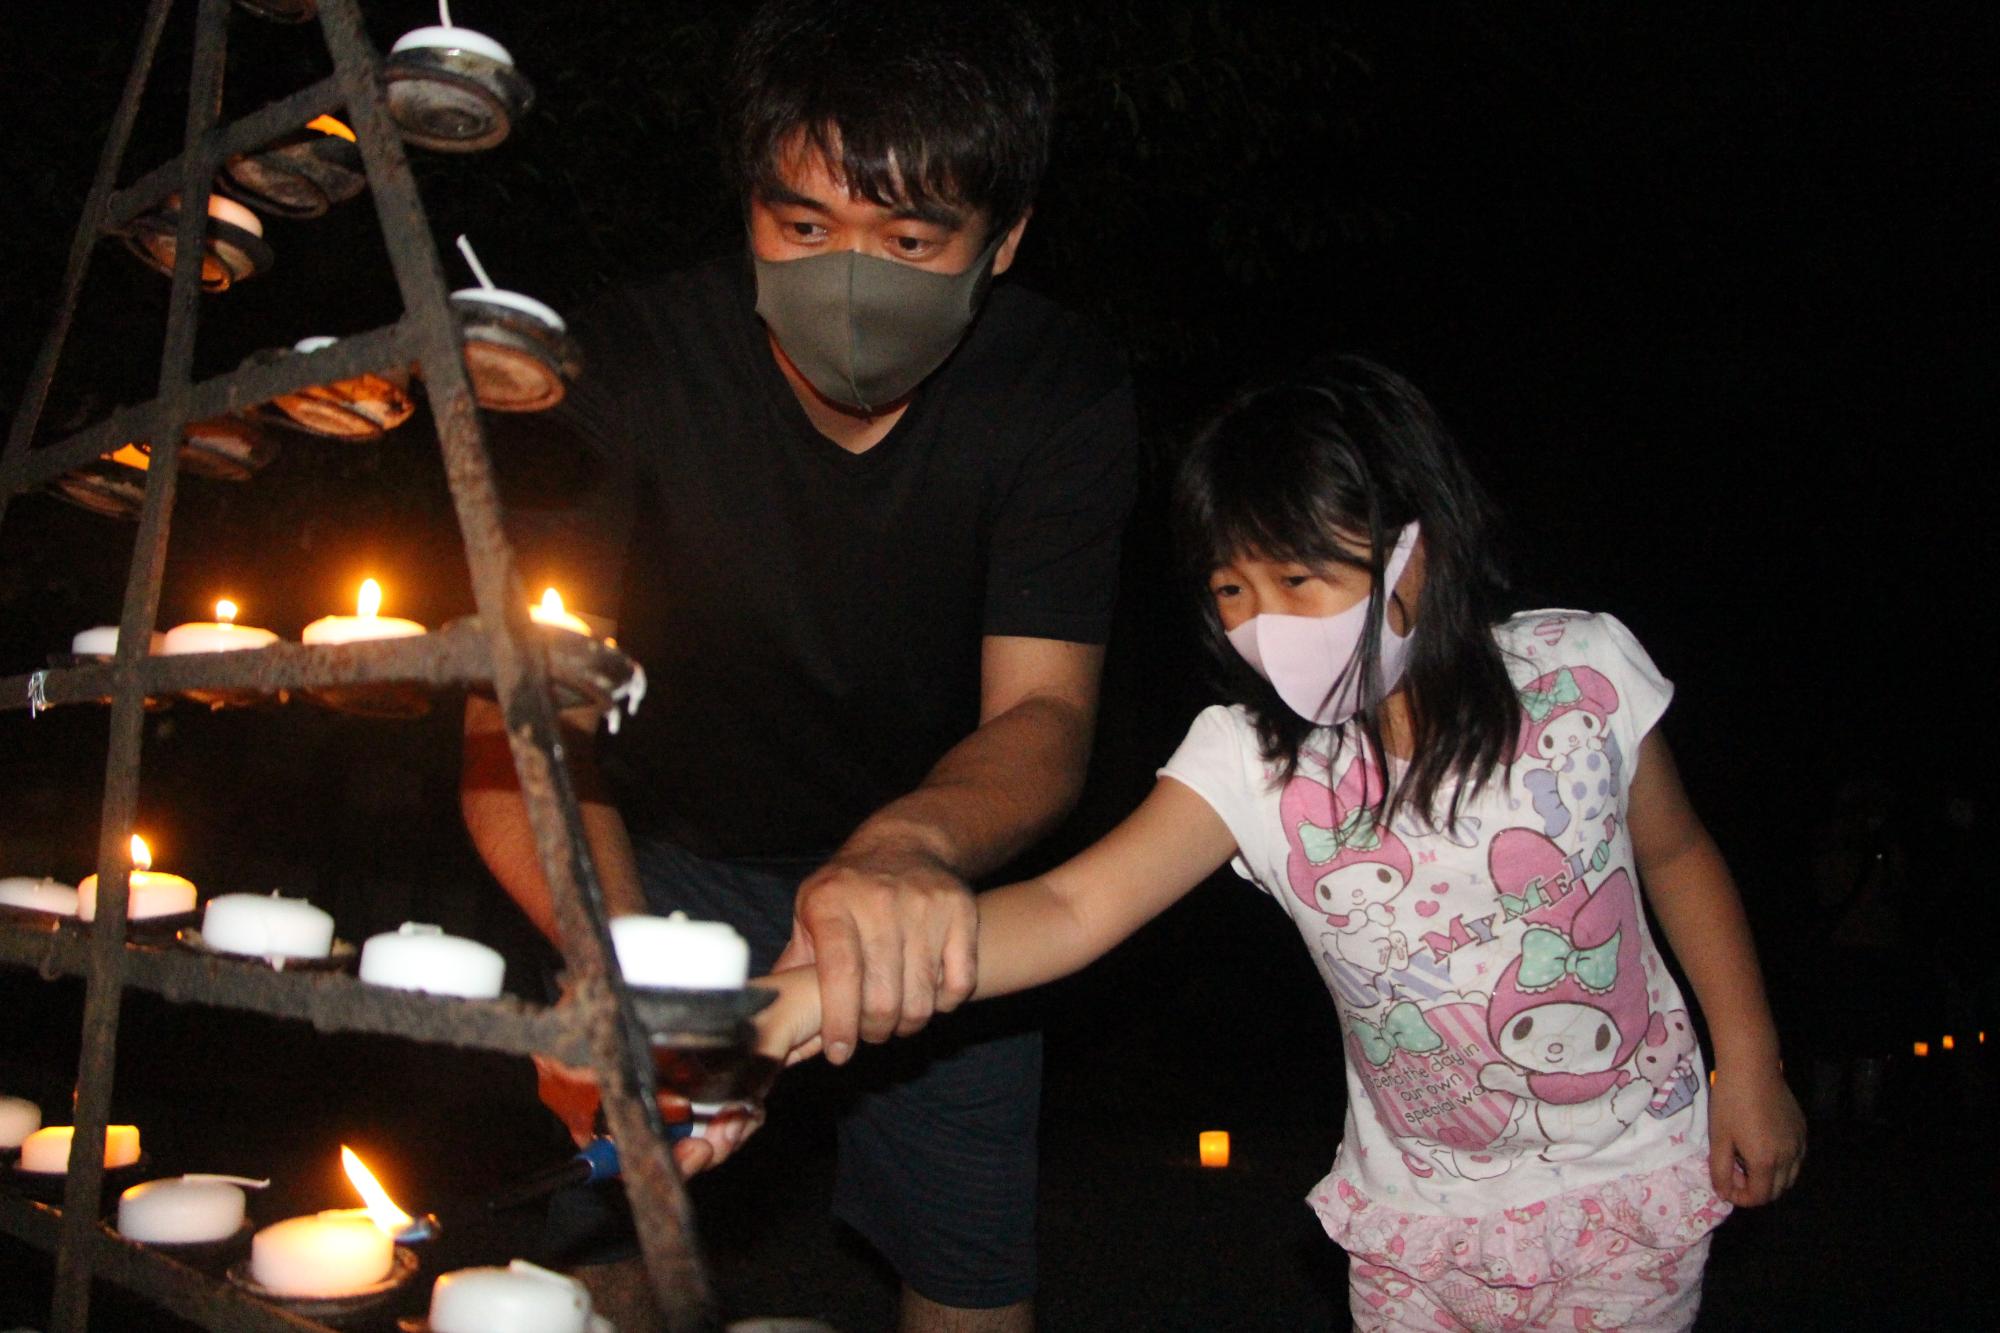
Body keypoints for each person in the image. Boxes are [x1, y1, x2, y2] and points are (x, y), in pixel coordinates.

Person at [752, 356, 1806, 1330]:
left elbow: (1675, 857)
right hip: (1415, 1215)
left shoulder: (1578, 677)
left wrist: (1746, 1061)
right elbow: (1072, 910)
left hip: (1623, 1177)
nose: (1262, 625)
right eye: (1230, 593)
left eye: (1296, 581)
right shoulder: (1252, 761)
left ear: (1411, 553)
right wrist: (819, 987)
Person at [460, 2, 1135, 1328]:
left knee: (969, 1277)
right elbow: (514, 736)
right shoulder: (610, 369)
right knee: (592, 1257)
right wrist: (613, 958)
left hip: (935, 888)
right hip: (660, 867)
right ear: (748, 209)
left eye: (909, 237)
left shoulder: (1058, 392)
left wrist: (911, 844)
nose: (847, 275)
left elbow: (1047, 719)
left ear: (1002, 241)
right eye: (803, 224)